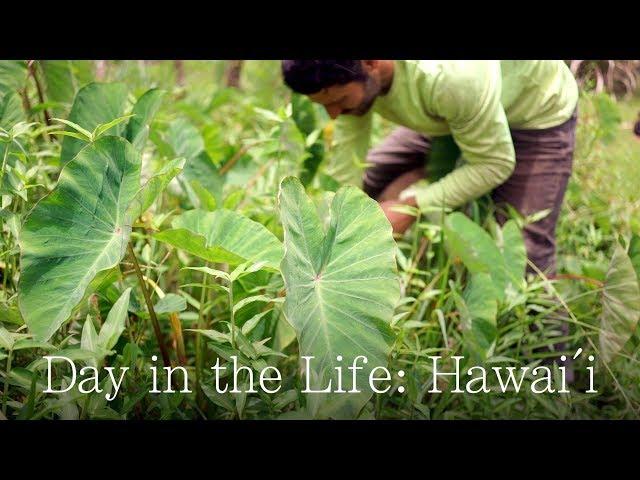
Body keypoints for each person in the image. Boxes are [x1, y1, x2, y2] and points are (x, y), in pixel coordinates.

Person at [281, 60, 579, 278]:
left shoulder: (450, 77)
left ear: (371, 64)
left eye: (339, 100)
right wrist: (333, 235)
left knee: (524, 257)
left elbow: (494, 163)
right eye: (323, 105)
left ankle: (553, 362)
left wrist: (411, 206)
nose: (333, 114)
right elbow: (348, 164)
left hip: (534, 113)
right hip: (450, 114)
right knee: (370, 183)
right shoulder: (348, 74)